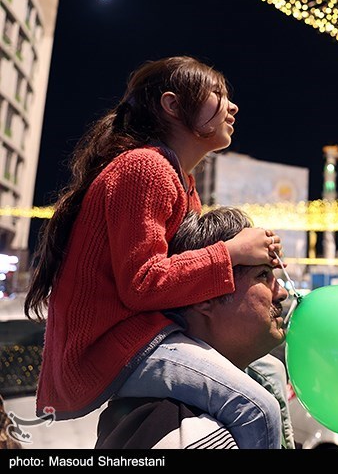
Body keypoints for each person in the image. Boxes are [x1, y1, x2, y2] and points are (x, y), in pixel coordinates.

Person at [24, 56, 284, 449]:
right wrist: (231, 252)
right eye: (217, 94)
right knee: (257, 408)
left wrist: (247, 254)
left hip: (146, 337)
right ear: (172, 104)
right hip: (115, 346)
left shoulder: (181, 180)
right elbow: (143, 284)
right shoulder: (146, 168)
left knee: (269, 371)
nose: (232, 107)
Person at [97, 206, 293, 449]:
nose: (282, 293)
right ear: (205, 297)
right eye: (263, 276)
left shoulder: (259, 381)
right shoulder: (188, 436)